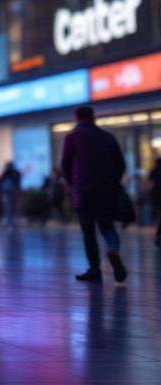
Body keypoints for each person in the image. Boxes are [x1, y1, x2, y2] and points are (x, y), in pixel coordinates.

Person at [60, 105, 128, 283]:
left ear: (77, 118)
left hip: (83, 191)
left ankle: (94, 269)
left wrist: (72, 184)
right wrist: (112, 183)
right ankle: (113, 250)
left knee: (88, 231)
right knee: (107, 226)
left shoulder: (72, 137)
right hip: (105, 190)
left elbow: (65, 164)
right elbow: (121, 164)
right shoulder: (108, 137)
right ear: (93, 117)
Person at [0, 161, 22, 227]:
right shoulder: (9, 173)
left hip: (10, 191)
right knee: (9, 206)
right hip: (8, 191)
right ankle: (10, 220)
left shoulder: (12, 173)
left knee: (10, 206)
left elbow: (17, 181)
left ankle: (11, 220)